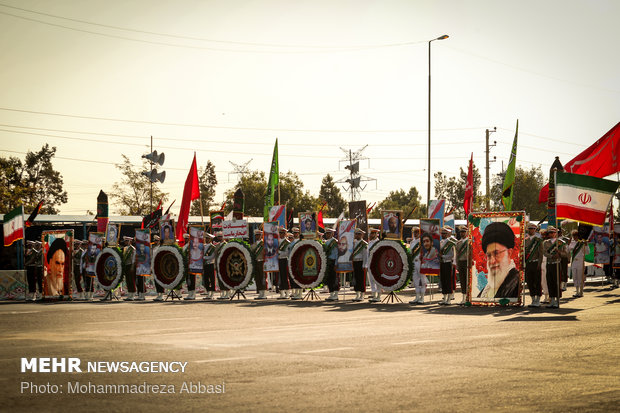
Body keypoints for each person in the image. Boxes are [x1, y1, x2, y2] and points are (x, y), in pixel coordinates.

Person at [477, 222, 520, 301]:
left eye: (496, 253)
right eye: (489, 256)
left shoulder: (515, 282)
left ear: (509, 253)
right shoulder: (488, 287)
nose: (492, 261)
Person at [543, 226, 567, 308]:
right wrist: (551, 256)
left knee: (557, 282)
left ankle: (557, 300)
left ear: (556, 233)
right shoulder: (546, 242)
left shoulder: (560, 242)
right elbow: (545, 253)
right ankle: (552, 300)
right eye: (550, 233)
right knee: (550, 282)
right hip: (549, 263)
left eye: (553, 232)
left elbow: (566, 254)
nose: (551, 234)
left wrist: (559, 253)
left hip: (557, 264)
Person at [523, 222, 543, 307]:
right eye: (530, 229)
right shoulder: (525, 239)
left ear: (535, 230)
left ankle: (538, 299)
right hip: (528, 263)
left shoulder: (538, 240)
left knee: (537, 281)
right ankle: (533, 299)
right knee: (530, 281)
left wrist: (539, 264)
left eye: (533, 229)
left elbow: (541, 253)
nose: (531, 230)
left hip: (536, 262)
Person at [409, 227, 427, 305]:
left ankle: (422, 297)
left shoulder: (422, 242)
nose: (415, 233)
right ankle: (417, 296)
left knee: (422, 280)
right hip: (414, 262)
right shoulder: (412, 242)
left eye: (417, 232)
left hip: (420, 262)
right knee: (415, 280)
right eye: (414, 232)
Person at [438, 227, 456, 305]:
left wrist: (443, 256)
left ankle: (449, 299)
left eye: (444, 234)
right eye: (442, 234)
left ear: (447, 234)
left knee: (449, 281)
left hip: (448, 263)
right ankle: (444, 298)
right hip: (442, 263)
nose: (443, 235)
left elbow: (452, 255)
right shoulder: (440, 242)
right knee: (443, 281)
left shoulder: (450, 243)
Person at [455, 225, 472, 305]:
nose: (462, 233)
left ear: (467, 232)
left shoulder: (469, 242)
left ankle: (468, 298)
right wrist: (457, 264)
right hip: (461, 262)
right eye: (461, 232)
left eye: (463, 232)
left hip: (467, 262)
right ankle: (463, 297)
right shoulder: (458, 243)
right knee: (462, 280)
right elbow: (457, 254)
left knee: (467, 280)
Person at [324, 228, 340, 301]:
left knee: (335, 278)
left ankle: (336, 294)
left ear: (332, 234)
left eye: (329, 233)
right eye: (327, 233)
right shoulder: (326, 242)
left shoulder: (335, 242)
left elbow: (337, 254)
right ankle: (331, 294)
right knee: (329, 278)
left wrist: (336, 264)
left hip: (334, 261)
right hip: (328, 262)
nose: (327, 235)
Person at [568, 230, 586, 298]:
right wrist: (568, 244)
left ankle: (581, 291)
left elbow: (587, 252)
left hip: (580, 261)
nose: (575, 237)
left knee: (580, 276)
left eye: (576, 236)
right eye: (574, 236)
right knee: (575, 276)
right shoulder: (572, 243)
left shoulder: (582, 243)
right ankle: (577, 291)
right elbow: (567, 250)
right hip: (574, 261)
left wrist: (586, 246)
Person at [351, 228, 367, 302]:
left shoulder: (364, 244)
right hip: (354, 262)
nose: (357, 235)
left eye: (359, 234)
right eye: (356, 234)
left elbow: (365, 256)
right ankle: (357, 294)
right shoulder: (353, 243)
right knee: (355, 278)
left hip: (361, 262)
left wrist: (364, 265)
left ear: (362, 235)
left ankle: (362, 295)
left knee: (361, 279)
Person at [366, 228, 381, 302]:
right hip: (369, 263)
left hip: (376, 263)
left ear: (376, 234)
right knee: (371, 280)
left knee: (377, 280)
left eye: (372, 233)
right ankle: (373, 294)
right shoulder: (370, 242)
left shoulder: (378, 242)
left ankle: (378, 295)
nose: (370, 235)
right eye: (370, 233)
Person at [251, 229, 267, 300]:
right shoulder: (253, 245)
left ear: (261, 236)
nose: (257, 236)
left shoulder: (264, 244)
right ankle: (260, 292)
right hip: (256, 262)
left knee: (263, 277)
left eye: (258, 235)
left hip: (263, 262)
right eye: (256, 235)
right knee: (257, 278)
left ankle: (264, 293)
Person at [277, 227, 291, 299]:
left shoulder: (287, 243)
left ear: (285, 234)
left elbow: (287, 253)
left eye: (282, 233)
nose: (281, 234)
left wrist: (279, 252)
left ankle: (287, 293)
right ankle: (281, 292)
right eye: (280, 233)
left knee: (285, 276)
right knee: (279, 277)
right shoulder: (277, 242)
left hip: (285, 260)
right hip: (278, 260)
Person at [122, 236, 137, 301]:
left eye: (126, 241)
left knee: (132, 280)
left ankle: (132, 295)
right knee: (128, 280)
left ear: (130, 241)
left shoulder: (132, 249)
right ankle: (129, 294)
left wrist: (132, 267)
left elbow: (133, 259)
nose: (125, 242)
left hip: (131, 265)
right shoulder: (125, 248)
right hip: (126, 265)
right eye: (125, 241)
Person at [202, 233, 217, 300]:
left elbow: (212, 256)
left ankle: (212, 293)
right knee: (206, 279)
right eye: (206, 238)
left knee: (212, 279)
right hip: (205, 265)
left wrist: (204, 258)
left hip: (210, 264)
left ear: (210, 239)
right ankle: (208, 292)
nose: (206, 239)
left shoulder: (212, 247)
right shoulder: (203, 246)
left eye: (208, 238)